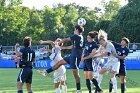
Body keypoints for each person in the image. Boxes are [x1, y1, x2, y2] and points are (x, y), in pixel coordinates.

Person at [39, 25, 84, 93]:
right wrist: (64, 47)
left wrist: (59, 42)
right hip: (72, 56)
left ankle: (78, 90)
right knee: (60, 63)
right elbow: (73, 46)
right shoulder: (80, 37)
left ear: (77, 30)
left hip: (75, 57)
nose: (74, 31)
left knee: (76, 75)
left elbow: (66, 39)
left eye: (74, 30)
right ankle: (46, 72)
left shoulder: (76, 36)